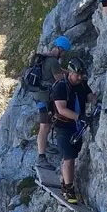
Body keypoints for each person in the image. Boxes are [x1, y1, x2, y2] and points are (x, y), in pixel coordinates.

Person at [49, 57, 96, 204]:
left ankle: (65, 183)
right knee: (69, 157)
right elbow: (61, 109)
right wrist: (80, 117)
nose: (80, 77)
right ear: (70, 73)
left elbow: (89, 97)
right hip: (63, 126)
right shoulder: (61, 87)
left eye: (81, 75)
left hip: (76, 126)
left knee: (73, 155)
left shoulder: (81, 84)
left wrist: (97, 99)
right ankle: (68, 189)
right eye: (77, 75)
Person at [28, 36, 71, 171]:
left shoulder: (45, 57)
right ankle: (41, 157)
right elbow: (59, 80)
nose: (64, 55)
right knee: (45, 126)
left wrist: (70, 72)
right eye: (64, 52)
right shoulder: (53, 61)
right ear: (60, 49)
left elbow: (58, 70)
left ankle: (44, 144)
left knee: (46, 124)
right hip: (45, 98)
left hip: (38, 95)